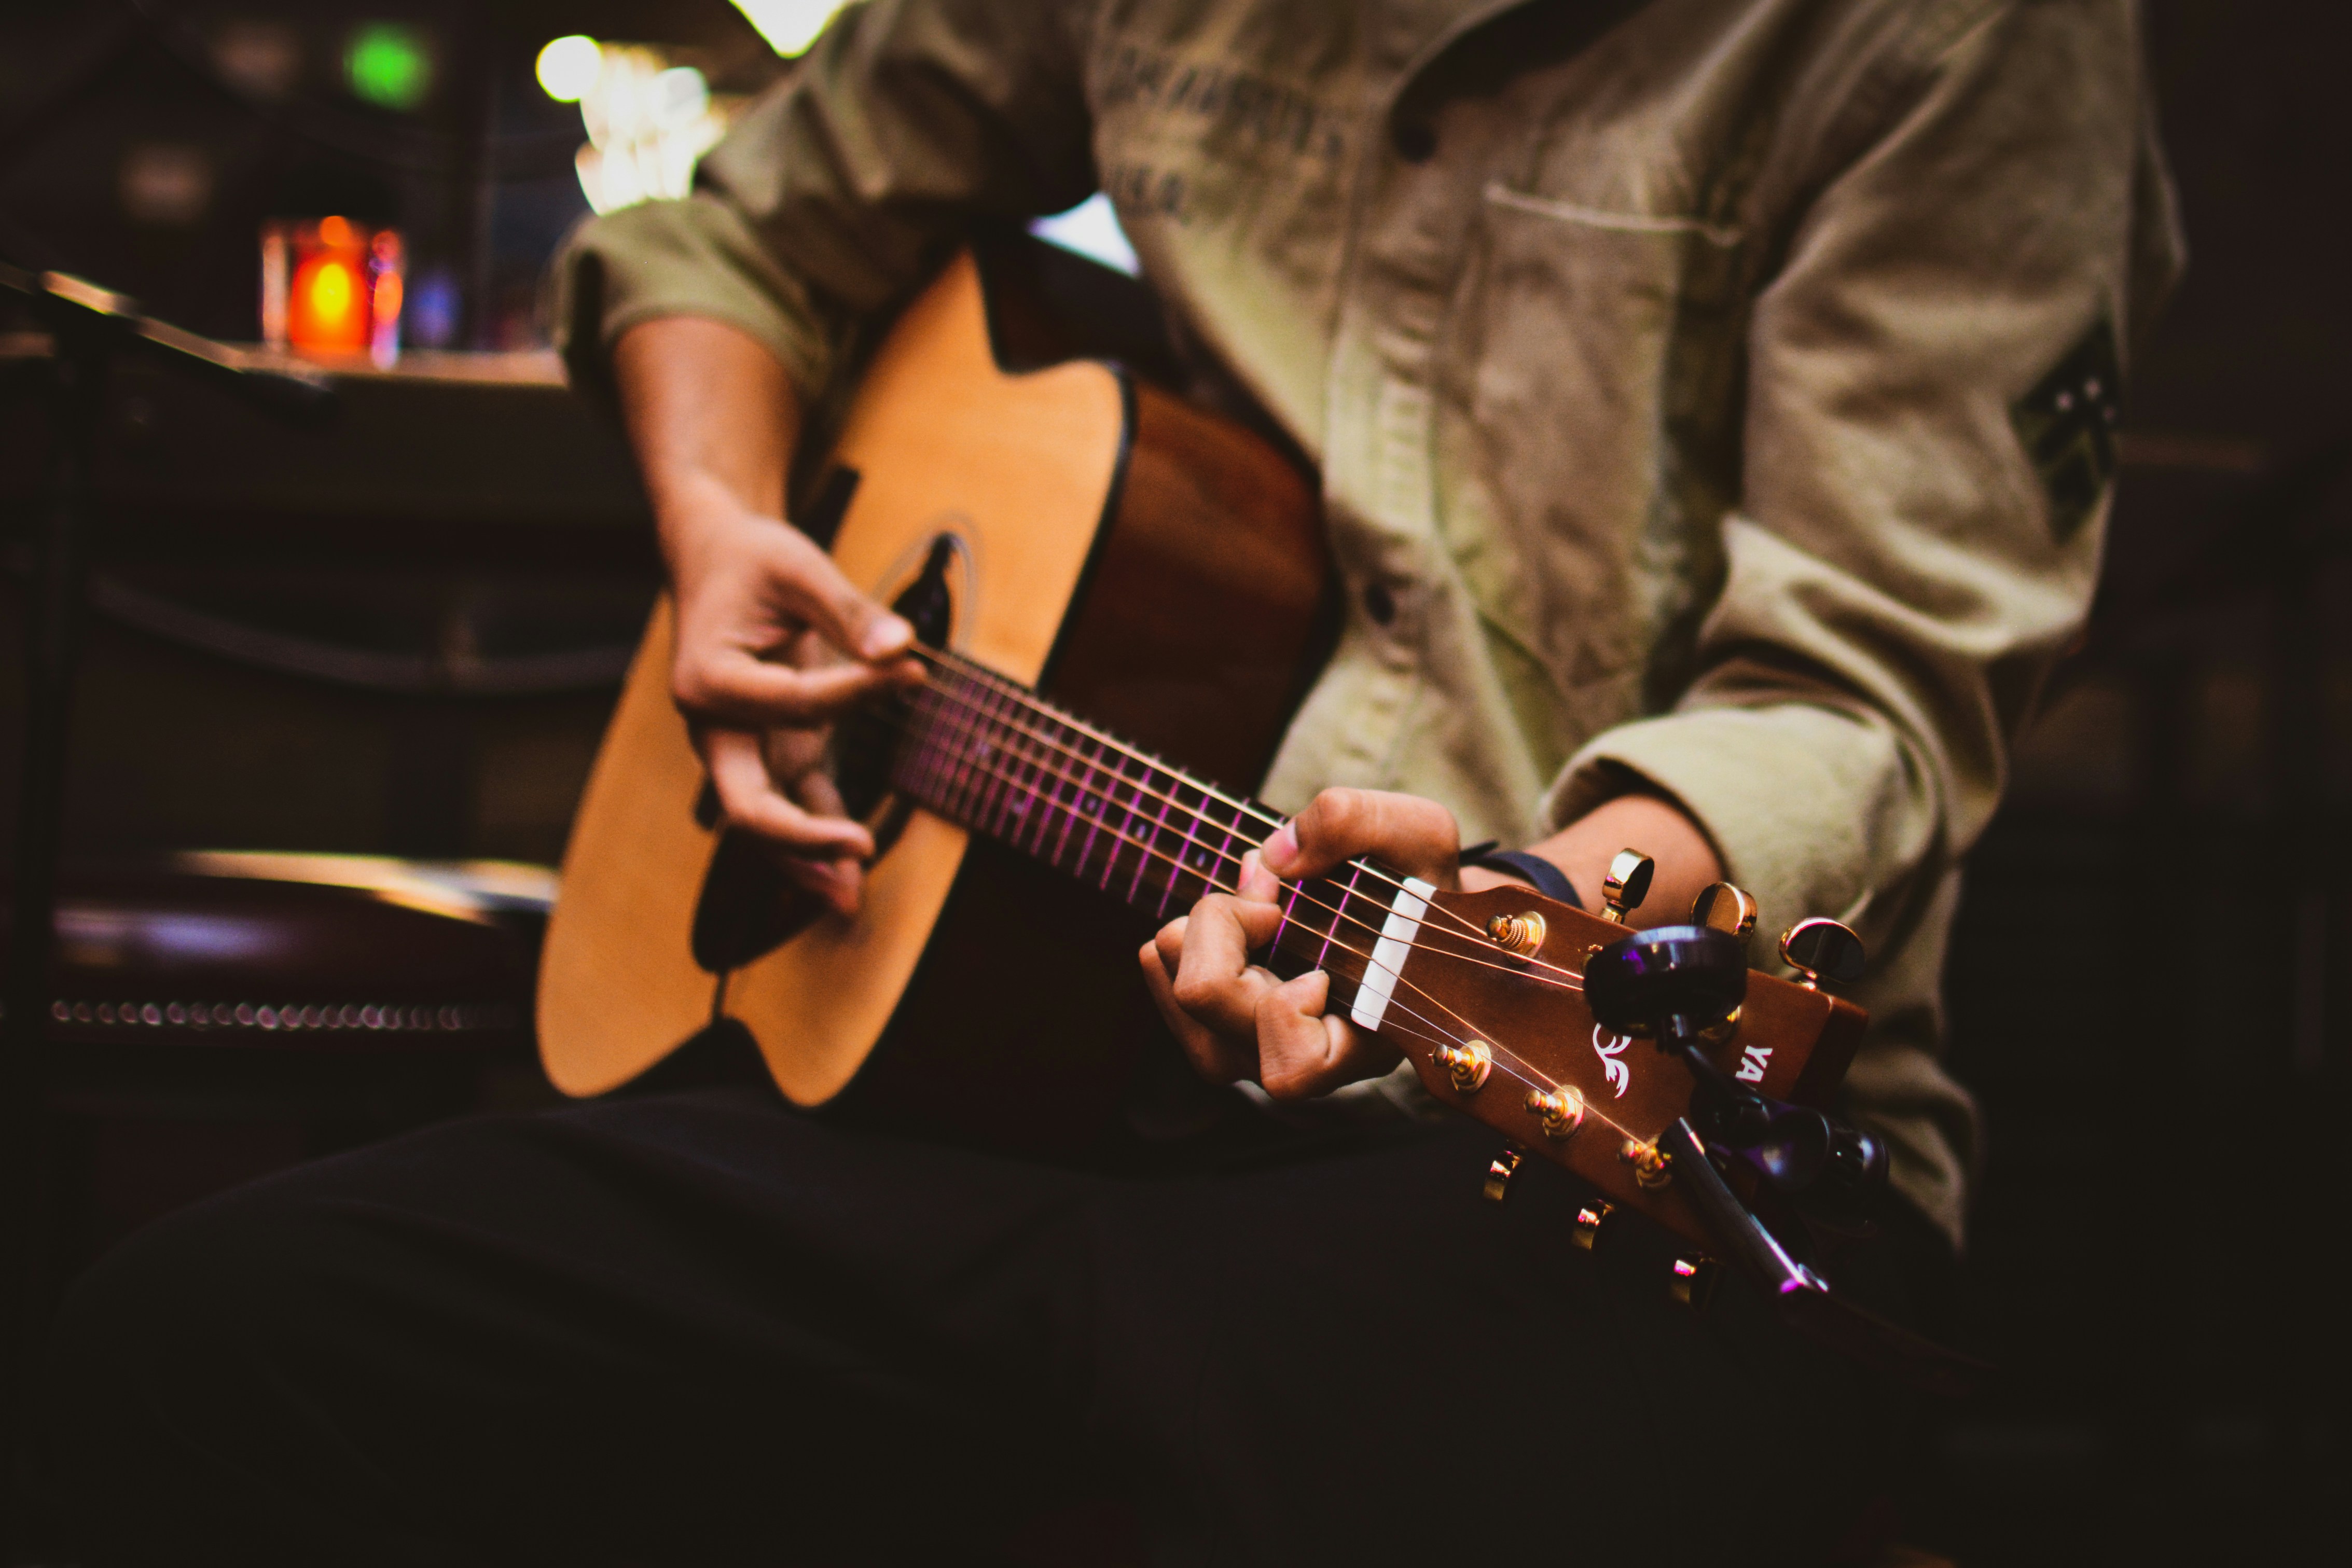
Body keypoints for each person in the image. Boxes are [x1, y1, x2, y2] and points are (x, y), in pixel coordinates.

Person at [47, 1, 2180, 1563]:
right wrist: (723, 535)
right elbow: (727, 245)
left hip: (1640, 1168)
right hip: (1015, 1095)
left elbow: (1866, 679)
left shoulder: (1965, 37)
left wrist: (1529, 904)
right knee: (212, 1338)